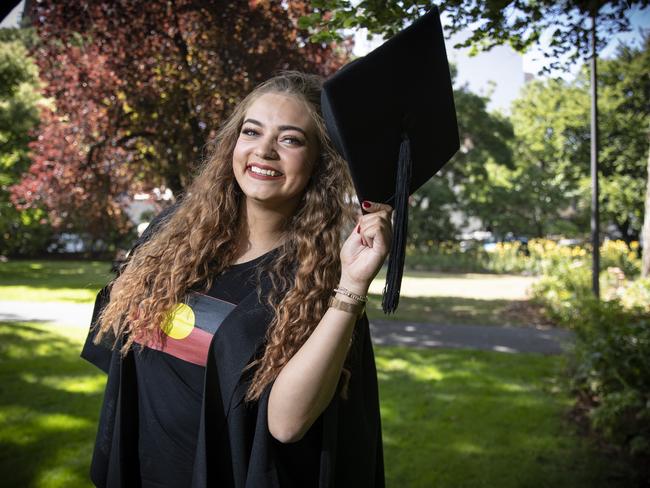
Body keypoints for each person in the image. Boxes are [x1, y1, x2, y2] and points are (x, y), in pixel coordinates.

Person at [82, 71, 390, 487]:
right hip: (141, 469)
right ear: (233, 142)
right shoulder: (174, 234)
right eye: (252, 131)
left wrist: (352, 284)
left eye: (290, 139)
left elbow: (285, 424)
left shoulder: (315, 281)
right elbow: (119, 342)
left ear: (320, 162)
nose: (264, 151)